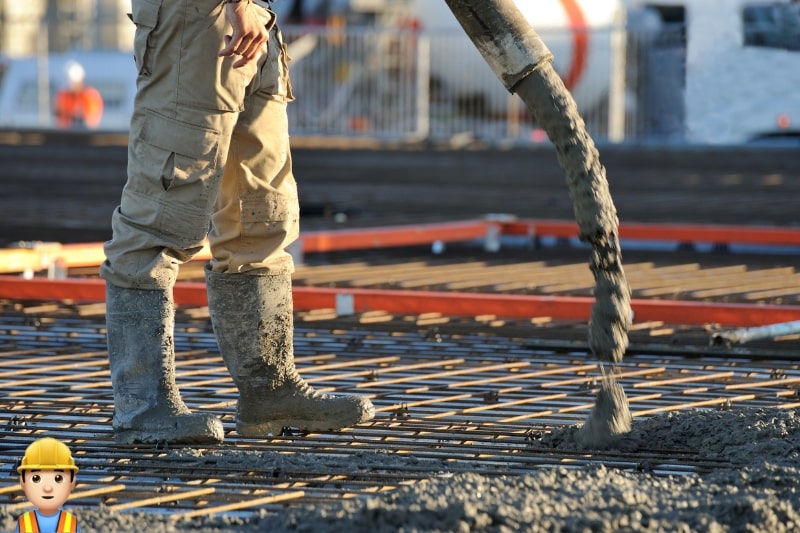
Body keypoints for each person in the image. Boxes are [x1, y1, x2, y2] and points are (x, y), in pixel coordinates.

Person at [100, 0, 374, 445]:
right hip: (201, 18)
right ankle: (142, 404)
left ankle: (269, 391)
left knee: (259, 217)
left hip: (252, 22)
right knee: (161, 213)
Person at [16, 437, 80, 533]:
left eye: (58, 478)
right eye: (36, 478)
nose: (47, 488)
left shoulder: (72, 522)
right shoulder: (24, 522)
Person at [53, 61, 104, 129]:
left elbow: (92, 120)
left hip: (86, 134)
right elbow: (59, 116)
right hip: (65, 134)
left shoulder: (90, 96)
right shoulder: (63, 95)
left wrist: (78, 117)